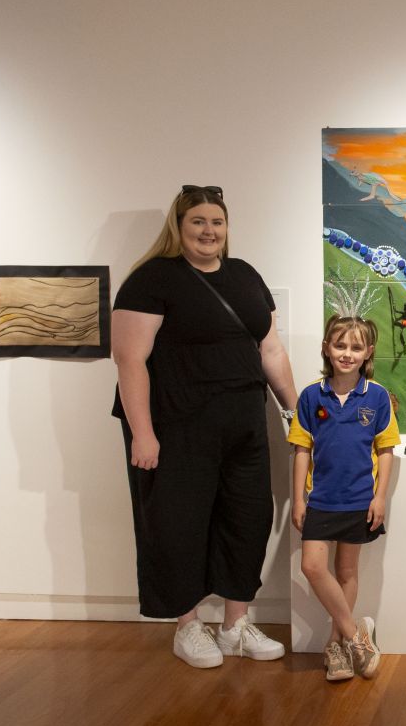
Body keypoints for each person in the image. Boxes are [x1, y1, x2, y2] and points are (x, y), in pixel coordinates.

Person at [111, 185, 298, 668]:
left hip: (243, 425)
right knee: (178, 524)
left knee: (248, 518)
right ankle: (187, 625)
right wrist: (143, 433)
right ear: (179, 225)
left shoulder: (244, 275)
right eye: (198, 221)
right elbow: (130, 360)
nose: (208, 231)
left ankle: (235, 625)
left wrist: (296, 411)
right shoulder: (152, 279)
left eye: (216, 222)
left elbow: (271, 350)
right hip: (176, 427)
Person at [288, 315, 400, 682]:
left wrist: (380, 498)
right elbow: (302, 449)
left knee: (347, 572)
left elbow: (386, 451)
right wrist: (298, 499)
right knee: (312, 567)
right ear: (326, 348)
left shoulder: (379, 396)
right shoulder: (310, 396)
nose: (346, 354)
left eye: (355, 348)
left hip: (358, 500)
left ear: (368, 353)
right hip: (319, 500)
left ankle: (335, 646)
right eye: (340, 346)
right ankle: (356, 635)